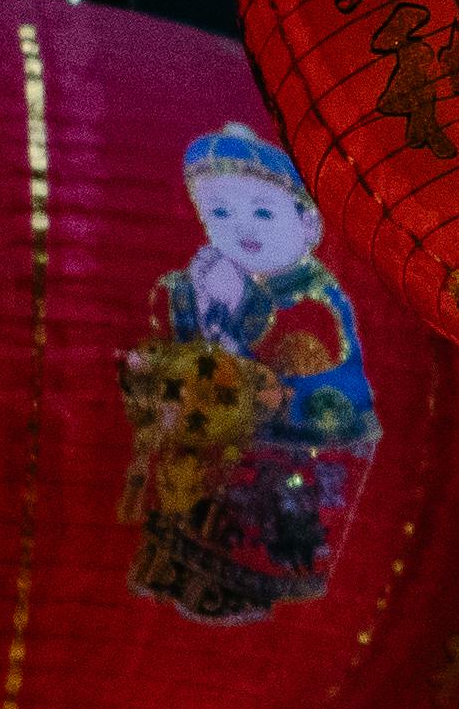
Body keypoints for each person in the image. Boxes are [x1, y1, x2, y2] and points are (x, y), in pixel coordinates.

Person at [126, 128, 378, 620]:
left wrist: (218, 327)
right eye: (220, 213)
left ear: (307, 226)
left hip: (300, 441)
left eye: (264, 212)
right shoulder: (223, 281)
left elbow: (265, 382)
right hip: (230, 441)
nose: (242, 228)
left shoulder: (311, 300)